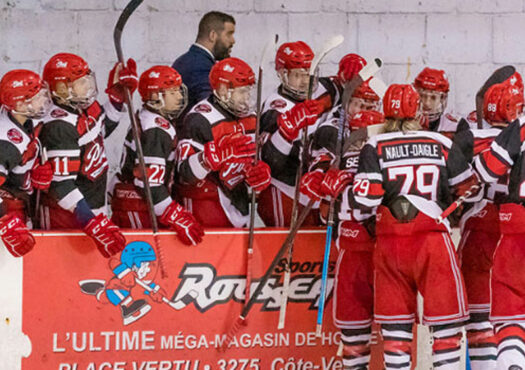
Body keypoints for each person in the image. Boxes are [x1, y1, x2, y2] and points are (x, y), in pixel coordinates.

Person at [353, 84, 478, 370]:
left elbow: (364, 199)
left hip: (391, 243)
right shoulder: (440, 143)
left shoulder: (374, 146)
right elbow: (471, 188)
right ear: (418, 110)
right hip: (432, 240)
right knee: (446, 328)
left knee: (396, 332)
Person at [300, 109, 384, 369]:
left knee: (395, 329)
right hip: (356, 252)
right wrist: (325, 190)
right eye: (358, 139)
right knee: (356, 327)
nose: (362, 146)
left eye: (367, 139)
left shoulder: (387, 159)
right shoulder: (339, 161)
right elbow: (326, 217)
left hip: (386, 253)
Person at [452, 71, 523, 369]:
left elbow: (456, 183)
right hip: (509, 224)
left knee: (481, 321)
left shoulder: (470, 138)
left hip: (482, 229)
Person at [38, 53, 135, 258]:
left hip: (92, 212)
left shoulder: (83, 108)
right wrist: (89, 220)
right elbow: (61, 184)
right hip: (66, 218)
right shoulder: (59, 125)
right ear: (62, 88)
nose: (87, 86)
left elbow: (101, 130)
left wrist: (116, 100)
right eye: (81, 82)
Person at [111, 65, 204, 246]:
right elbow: (148, 183)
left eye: (178, 91)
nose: (179, 97)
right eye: (172, 92)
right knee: (143, 258)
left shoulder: (149, 118)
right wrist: (174, 214)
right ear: (155, 96)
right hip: (137, 206)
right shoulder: (155, 129)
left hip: (137, 204)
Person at [176, 57, 270, 227]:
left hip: (238, 203)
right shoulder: (200, 118)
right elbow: (184, 174)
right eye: (242, 92)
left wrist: (259, 173)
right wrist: (208, 158)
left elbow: (255, 162)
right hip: (205, 206)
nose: (247, 98)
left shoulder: (251, 118)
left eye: (249, 91)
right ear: (223, 90)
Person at [473, 75, 525, 369]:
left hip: (517, 226)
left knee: (512, 314)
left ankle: (512, 362)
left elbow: (488, 169)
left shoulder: (520, 127)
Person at [257, 41, 339, 227]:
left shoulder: (316, 88)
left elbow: (339, 87)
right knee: (283, 249)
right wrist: (287, 131)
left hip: (312, 191)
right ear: (282, 74)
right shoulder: (275, 108)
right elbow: (270, 162)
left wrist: (349, 76)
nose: (304, 81)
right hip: (284, 192)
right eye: (297, 75)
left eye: (308, 74)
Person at [0, 69, 53, 257]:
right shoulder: (6, 142)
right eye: (36, 96)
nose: (43, 100)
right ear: (20, 103)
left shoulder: (23, 121)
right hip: (8, 209)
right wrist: (4, 220)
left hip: (20, 204)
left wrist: (32, 172)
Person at [172, 11, 236, 114]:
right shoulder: (200, 66)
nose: (233, 41)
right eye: (229, 34)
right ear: (213, 35)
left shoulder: (187, 59)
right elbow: (212, 110)